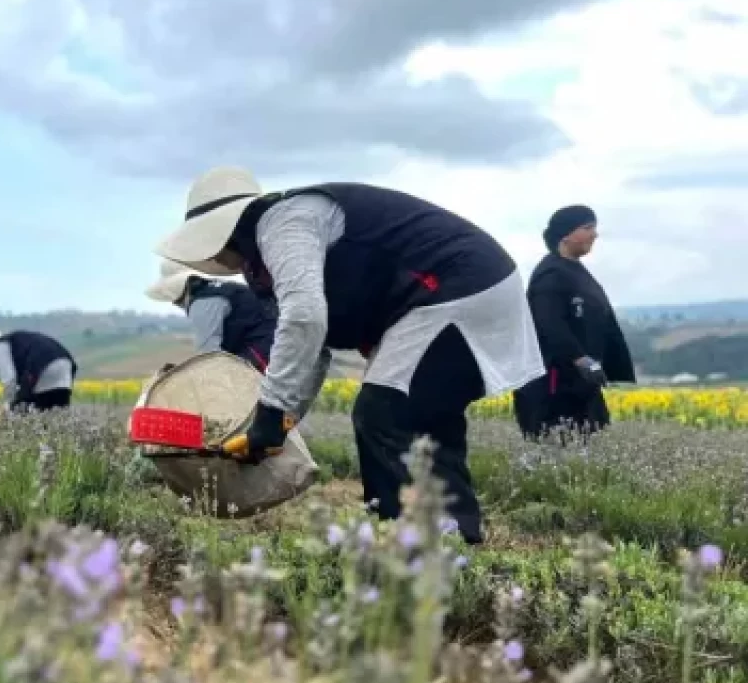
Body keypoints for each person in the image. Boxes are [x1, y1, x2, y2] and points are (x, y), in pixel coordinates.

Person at [154, 165, 545, 544]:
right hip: (476, 285)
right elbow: (313, 350)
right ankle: (454, 537)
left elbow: (305, 318)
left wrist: (272, 413)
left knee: (383, 413)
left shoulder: (284, 223)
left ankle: (403, 542)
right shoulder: (273, 246)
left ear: (224, 232)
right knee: (425, 418)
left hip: (456, 287)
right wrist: (279, 422)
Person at [513, 205, 635, 441]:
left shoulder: (574, 270)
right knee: (560, 448)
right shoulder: (550, 275)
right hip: (555, 384)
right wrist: (579, 358)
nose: (594, 234)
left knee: (593, 445)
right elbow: (547, 322)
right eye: (587, 228)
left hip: (582, 383)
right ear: (566, 234)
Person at [145, 258, 276, 372]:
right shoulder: (223, 289)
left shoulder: (202, 303)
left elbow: (209, 357)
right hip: (277, 346)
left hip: (264, 355)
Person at [0, 326, 78, 412]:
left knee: (28, 415)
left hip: (42, 368)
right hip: (65, 370)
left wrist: (8, 405)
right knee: (57, 419)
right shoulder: (18, 341)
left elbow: (9, 379)